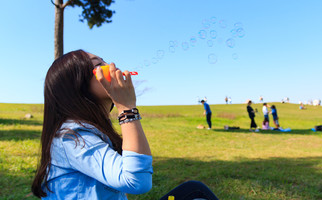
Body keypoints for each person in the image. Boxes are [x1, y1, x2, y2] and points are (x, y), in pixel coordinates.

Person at [32, 50, 218, 200]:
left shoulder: (87, 131)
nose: (111, 66)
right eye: (99, 65)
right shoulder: (71, 136)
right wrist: (127, 108)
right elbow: (137, 181)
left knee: (194, 192)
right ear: (77, 85)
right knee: (195, 193)